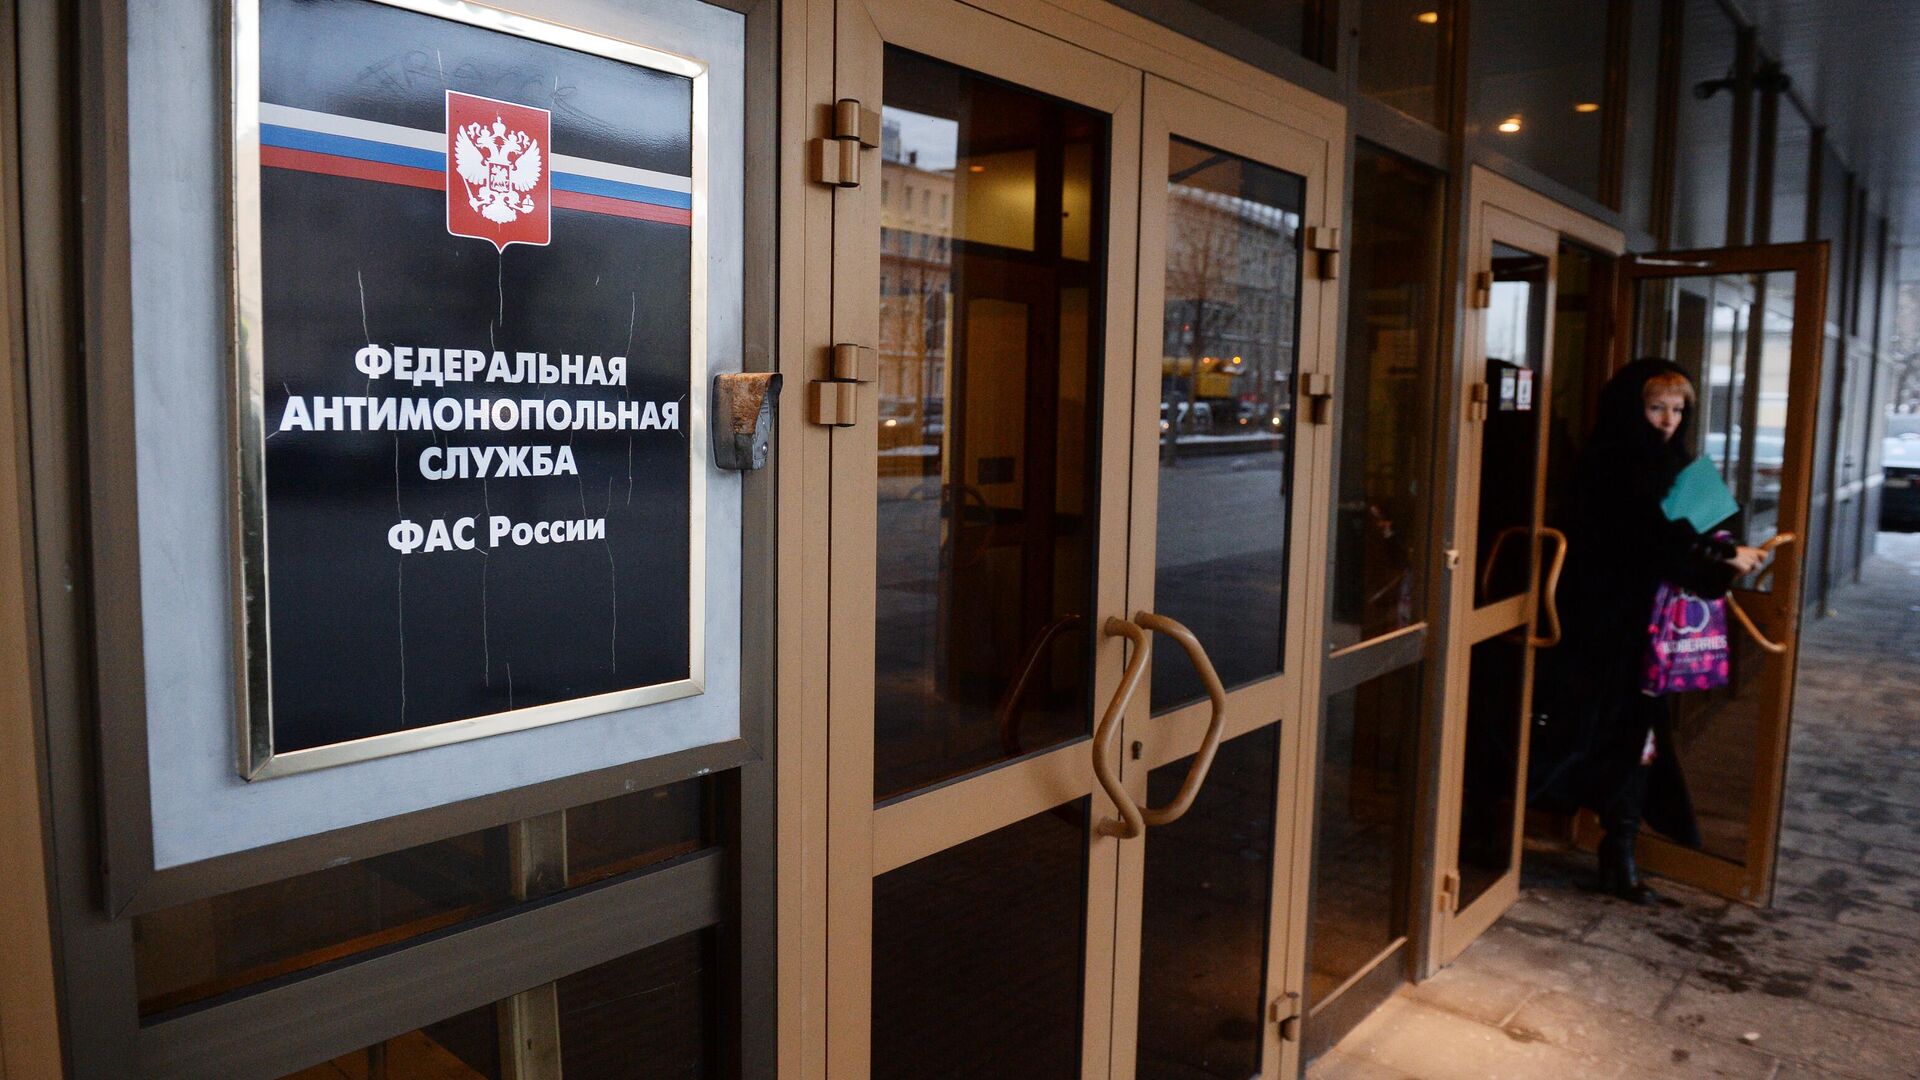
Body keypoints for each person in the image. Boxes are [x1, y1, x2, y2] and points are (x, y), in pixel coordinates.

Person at [1529, 358, 1765, 903]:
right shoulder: (1610, 466)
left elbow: (1675, 543)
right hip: (1604, 630)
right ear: (1630, 408)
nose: (1668, 420)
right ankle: (1594, 847)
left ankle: (1620, 852)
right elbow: (1647, 543)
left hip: (1646, 633)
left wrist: (1718, 552)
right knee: (1590, 736)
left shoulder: (1671, 465)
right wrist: (1721, 557)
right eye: (1657, 407)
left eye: (1678, 409)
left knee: (1638, 740)